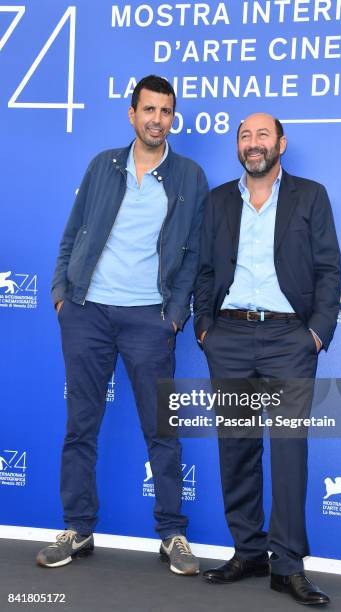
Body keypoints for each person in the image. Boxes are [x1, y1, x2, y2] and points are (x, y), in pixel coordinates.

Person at [36, 75, 208, 575]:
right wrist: (62, 294)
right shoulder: (102, 165)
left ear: (172, 118)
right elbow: (73, 233)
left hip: (149, 321)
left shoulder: (188, 175)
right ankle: (78, 527)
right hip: (87, 312)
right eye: (149, 109)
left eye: (166, 111)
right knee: (80, 425)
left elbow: (194, 252)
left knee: (162, 430)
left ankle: (172, 533)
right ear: (132, 113)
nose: (157, 119)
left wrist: (175, 315)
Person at [194, 113, 341, 604]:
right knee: (236, 448)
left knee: (287, 450)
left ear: (281, 143)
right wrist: (205, 328)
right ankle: (248, 551)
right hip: (229, 336)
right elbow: (204, 269)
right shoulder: (218, 200)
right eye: (244, 136)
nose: (253, 144)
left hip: (288, 339)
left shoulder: (311, 195)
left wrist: (316, 335)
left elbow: (328, 270)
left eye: (262, 135)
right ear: (238, 147)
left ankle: (288, 565)